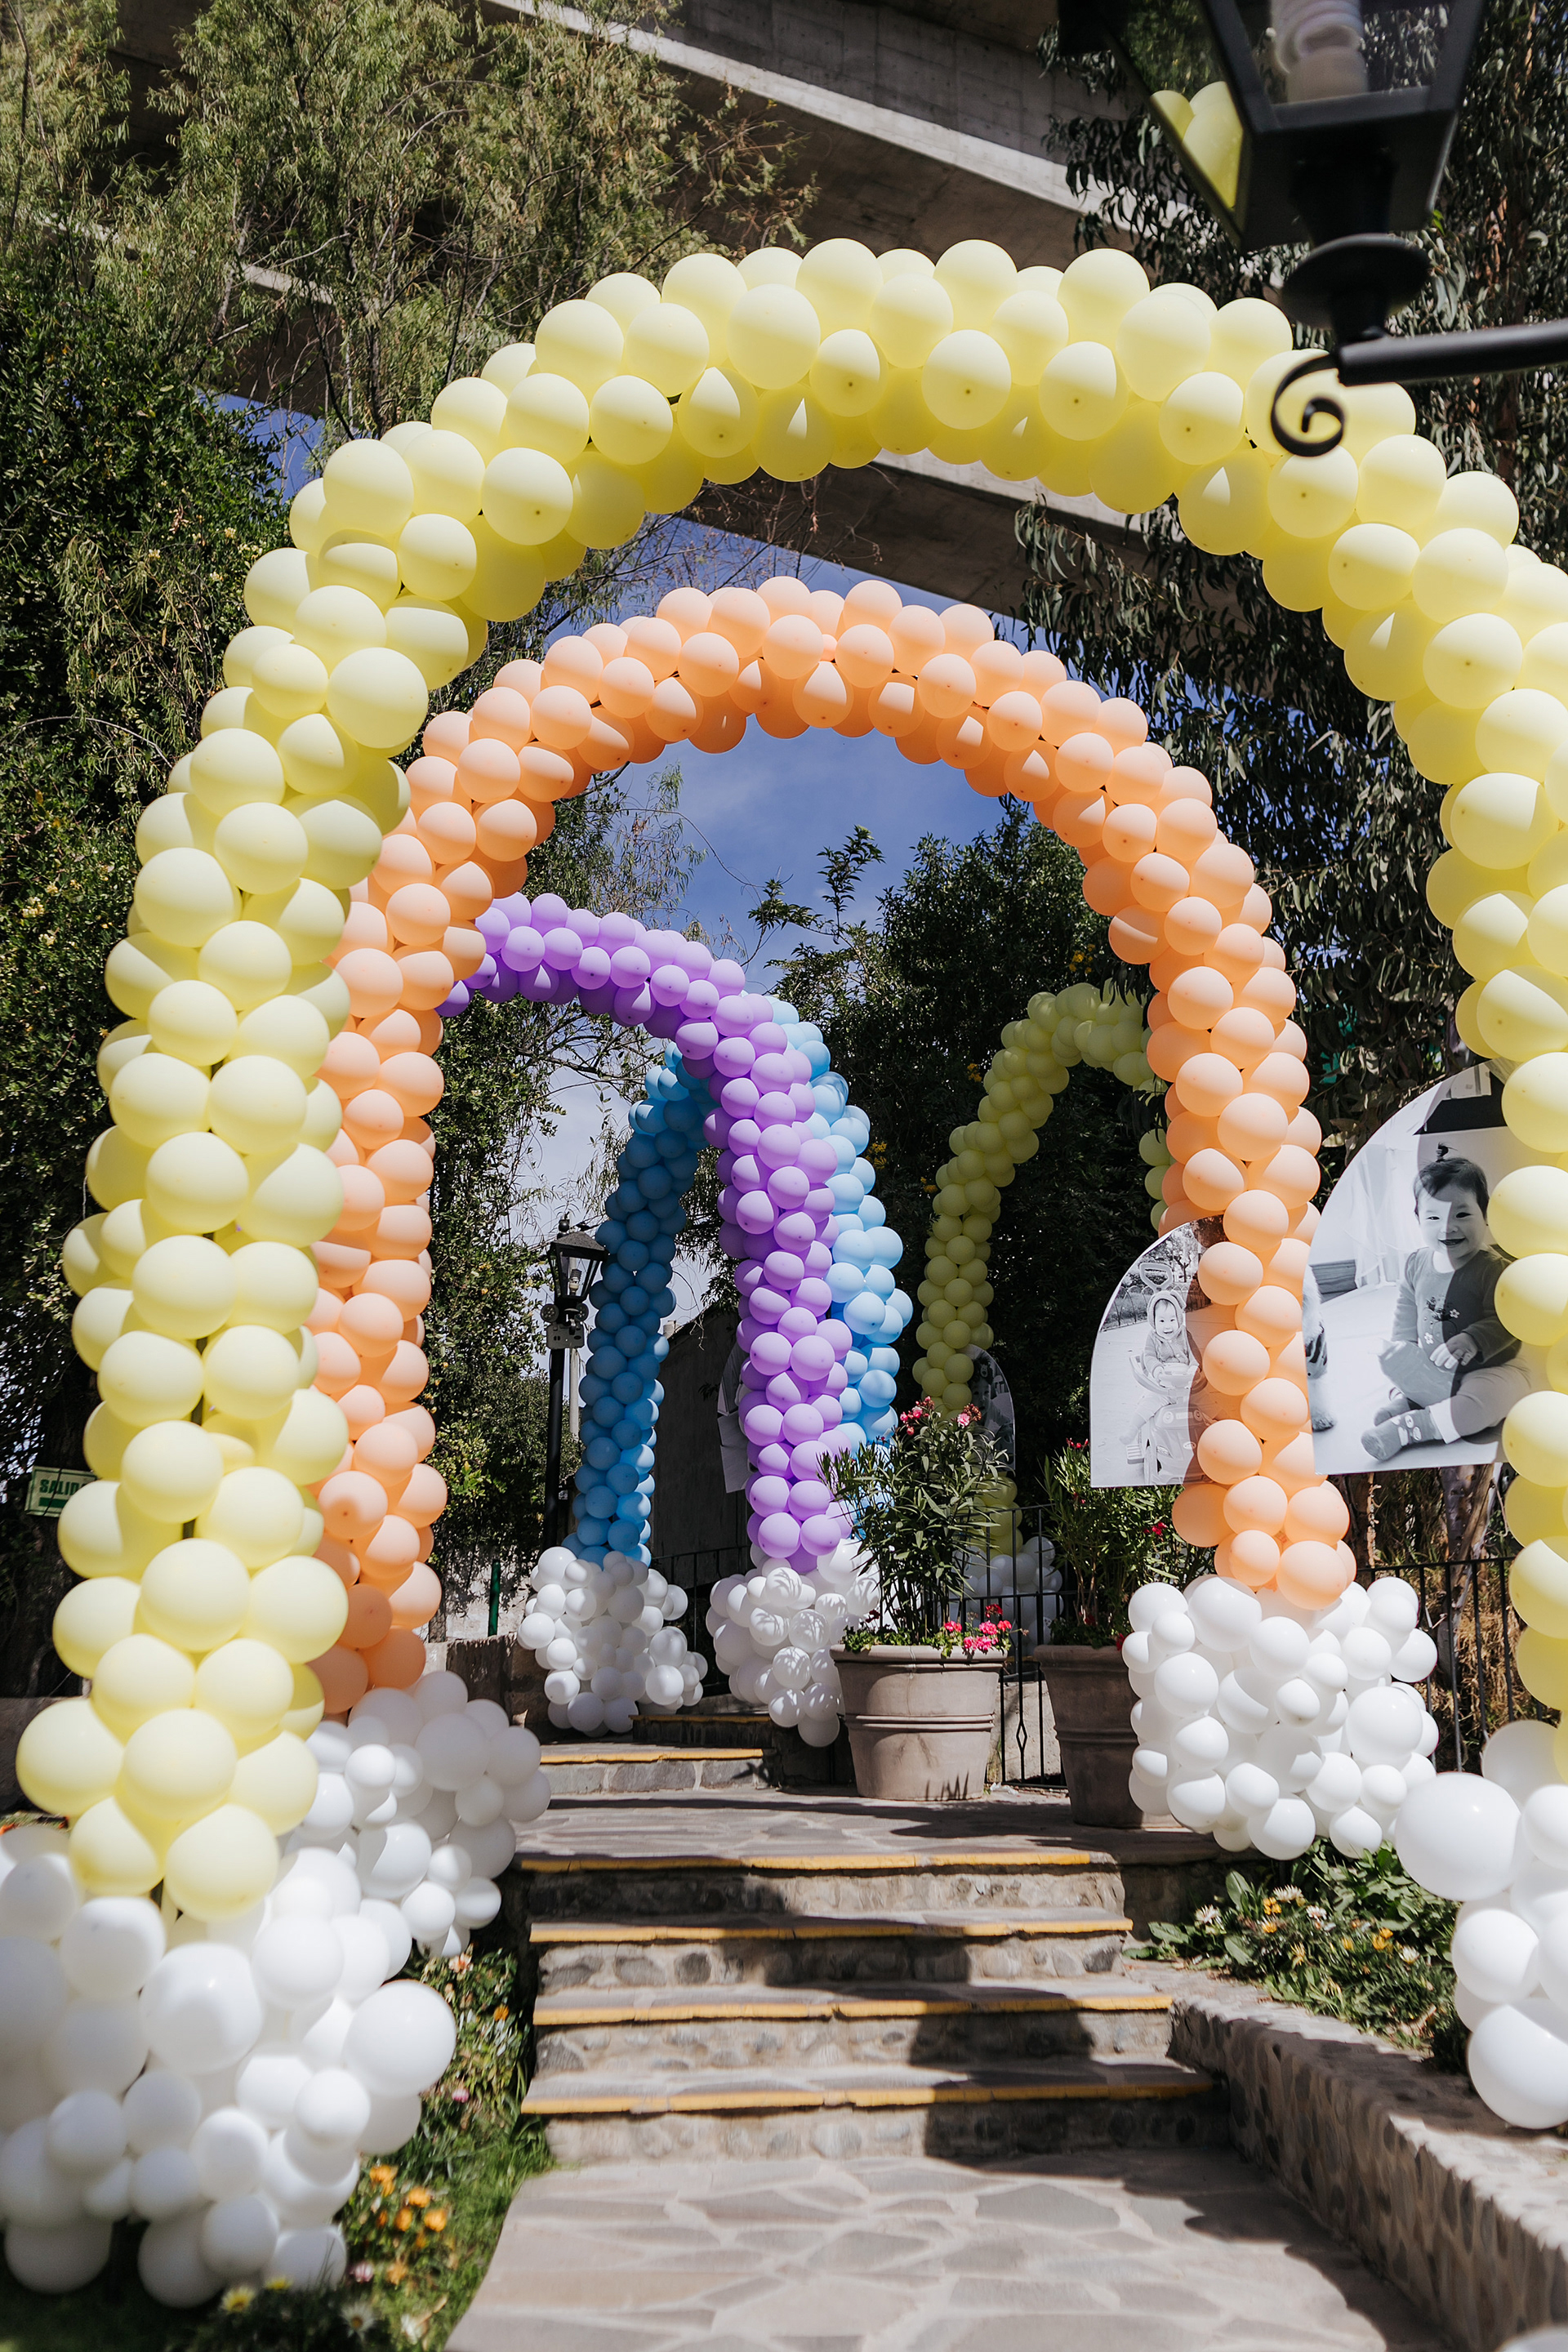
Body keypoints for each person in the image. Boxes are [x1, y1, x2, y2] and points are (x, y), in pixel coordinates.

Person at [1361, 1152, 1530, 1463]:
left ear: (1485, 1214)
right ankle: (1408, 1402)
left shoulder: (1494, 1269)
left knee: (1490, 1400)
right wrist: (1404, 1348)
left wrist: (1473, 1339)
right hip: (1434, 1368)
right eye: (1434, 1218)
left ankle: (1413, 1426)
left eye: (1461, 1215)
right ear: (1419, 1220)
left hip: (1487, 1369)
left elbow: (1508, 1321)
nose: (1448, 1227)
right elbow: (1406, 1311)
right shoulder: (1416, 1264)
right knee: (1402, 1373)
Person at [1124, 1289, 1199, 1479]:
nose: (1168, 1326)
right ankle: (1133, 1429)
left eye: (1172, 1320)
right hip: (1163, 1386)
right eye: (1162, 1321)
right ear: (1153, 1321)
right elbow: (1149, 1357)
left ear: (1179, 1319)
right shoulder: (1153, 1338)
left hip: (1187, 1385)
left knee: (1206, 1405)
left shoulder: (1185, 1335)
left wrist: (1193, 1368)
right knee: (1149, 1403)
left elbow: (1194, 1354)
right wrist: (1156, 1369)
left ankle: (1215, 1432)